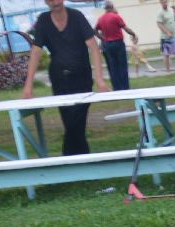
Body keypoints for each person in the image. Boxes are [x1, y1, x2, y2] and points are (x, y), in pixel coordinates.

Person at [22, 0, 110, 156]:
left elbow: (94, 48)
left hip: (82, 77)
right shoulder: (43, 20)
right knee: (69, 120)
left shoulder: (77, 16)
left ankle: (69, 157)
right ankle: (81, 157)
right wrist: (28, 86)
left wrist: (100, 80)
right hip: (59, 79)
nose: (55, 2)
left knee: (77, 119)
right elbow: (36, 52)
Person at [95, 1, 140, 92]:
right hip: (118, 43)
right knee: (122, 65)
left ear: (105, 9)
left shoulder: (101, 19)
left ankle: (116, 88)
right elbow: (125, 28)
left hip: (107, 45)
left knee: (113, 67)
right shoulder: (116, 17)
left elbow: (94, 30)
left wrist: (102, 38)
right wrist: (134, 34)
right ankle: (125, 88)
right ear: (111, 7)